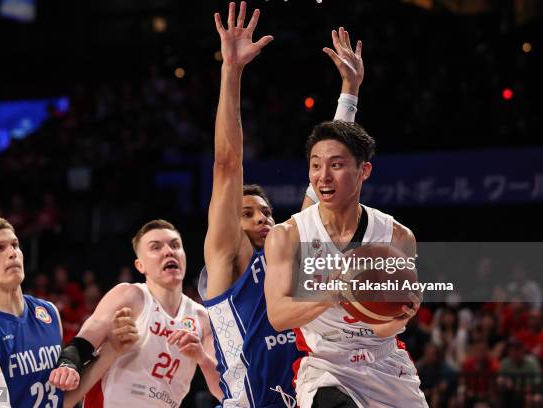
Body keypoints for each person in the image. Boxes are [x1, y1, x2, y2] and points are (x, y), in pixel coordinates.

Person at [199, 2, 365, 406]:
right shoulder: (229, 259)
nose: (263, 218)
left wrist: (350, 92)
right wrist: (231, 71)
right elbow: (227, 164)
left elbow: (328, 184)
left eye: (268, 211)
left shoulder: (285, 251)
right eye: (248, 213)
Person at [264, 121, 428, 407]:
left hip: (385, 362)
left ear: (363, 171)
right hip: (327, 366)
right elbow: (278, 316)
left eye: (336, 165)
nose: (323, 176)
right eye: (316, 166)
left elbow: (382, 328)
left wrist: (402, 316)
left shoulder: (397, 236)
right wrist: (333, 294)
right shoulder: (287, 235)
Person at [0, 217, 136, 407]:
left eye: (14, 245)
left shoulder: (48, 313)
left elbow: (60, 400)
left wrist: (112, 350)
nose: (12, 253)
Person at [51, 219, 223, 407]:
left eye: (175, 245)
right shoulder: (130, 296)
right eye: (156, 247)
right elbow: (81, 345)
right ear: (140, 265)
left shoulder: (201, 317)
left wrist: (202, 358)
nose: (168, 251)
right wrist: (68, 366)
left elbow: (224, 393)